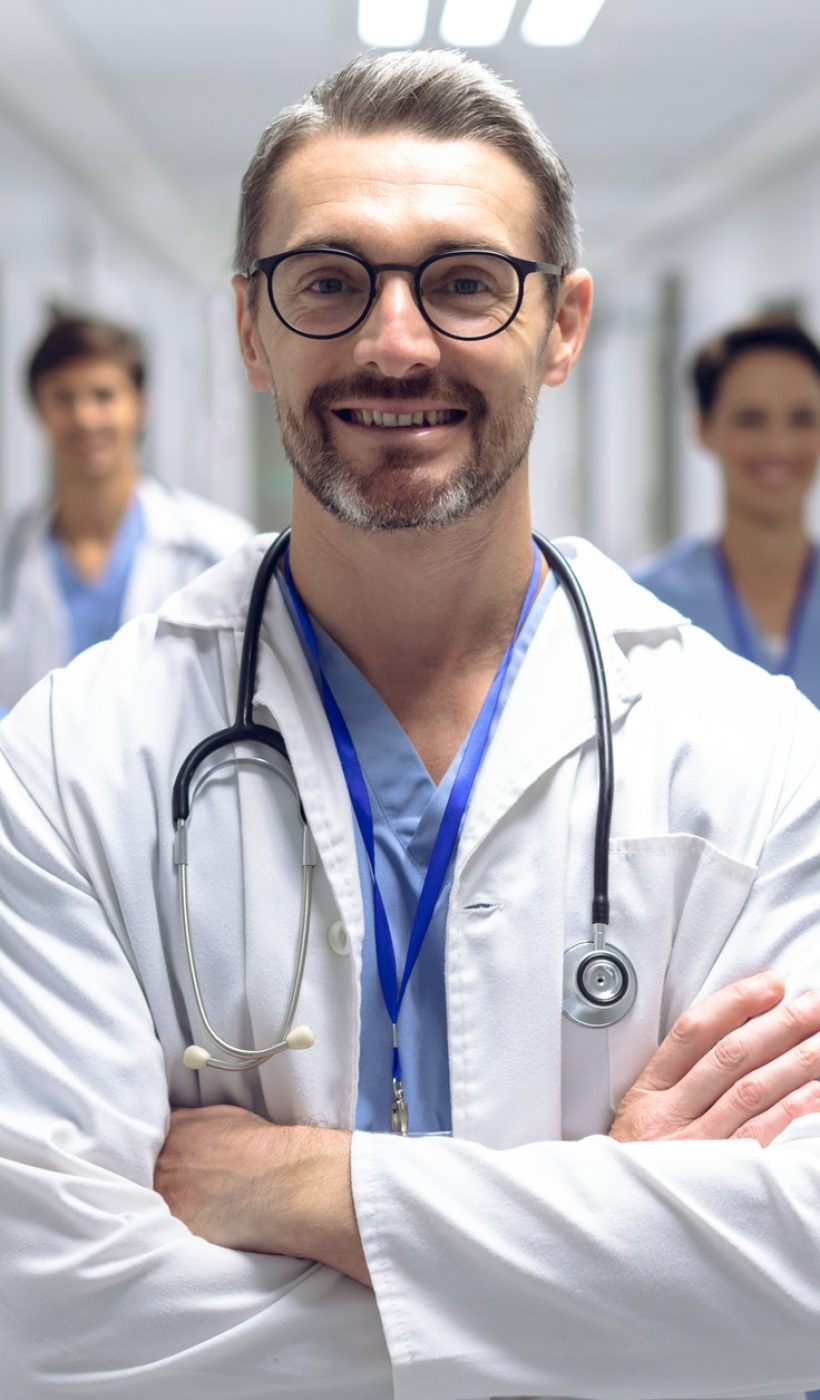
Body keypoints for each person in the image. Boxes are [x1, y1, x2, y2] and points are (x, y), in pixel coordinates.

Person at [0, 49, 819, 1400]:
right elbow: (48, 1314)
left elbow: (799, 1285)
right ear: (251, 328)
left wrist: (311, 1188)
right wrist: (618, 1269)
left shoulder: (756, 756)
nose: (395, 342)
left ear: (563, 327)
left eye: (466, 281)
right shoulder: (68, 764)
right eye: (329, 282)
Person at [0, 313, 255, 709]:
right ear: (39, 410)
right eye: (63, 398)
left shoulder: (218, 548)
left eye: (103, 396)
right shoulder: (12, 552)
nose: (84, 417)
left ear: (140, 406)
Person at [633, 317, 820, 704]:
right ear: (704, 428)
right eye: (751, 420)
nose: (779, 446)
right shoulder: (644, 607)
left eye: (802, 419)